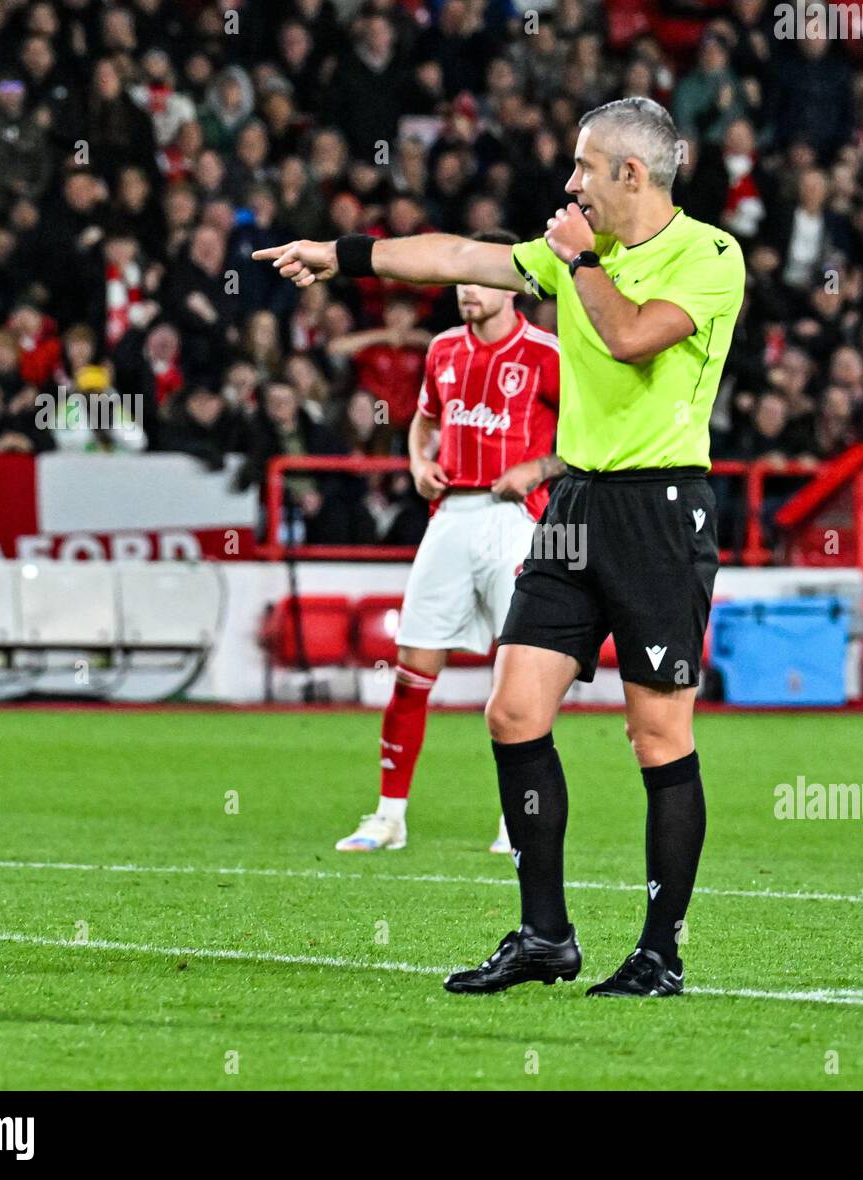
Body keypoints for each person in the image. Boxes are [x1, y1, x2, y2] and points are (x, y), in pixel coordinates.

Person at [256, 96, 746, 997]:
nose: (570, 185)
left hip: (660, 509)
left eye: (584, 168)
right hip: (575, 505)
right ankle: (544, 935)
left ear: (630, 176)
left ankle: (659, 953)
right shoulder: (572, 257)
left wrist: (577, 259)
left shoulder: (710, 254)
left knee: (656, 734)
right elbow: (454, 254)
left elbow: (631, 339)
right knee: (513, 713)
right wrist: (341, 256)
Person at [332, 230, 561, 856]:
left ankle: (517, 820)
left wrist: (539, 469)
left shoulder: (547, 352)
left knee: (519, 680)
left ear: (514, 285)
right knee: (412, 669)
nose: (465, 289)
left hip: (517, 521)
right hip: (451, 514)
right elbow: (425, 418)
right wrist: (415, 462)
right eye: (460, 279)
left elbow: (595, 438)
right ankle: (388, 816)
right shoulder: (441, 350)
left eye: (479, 279)